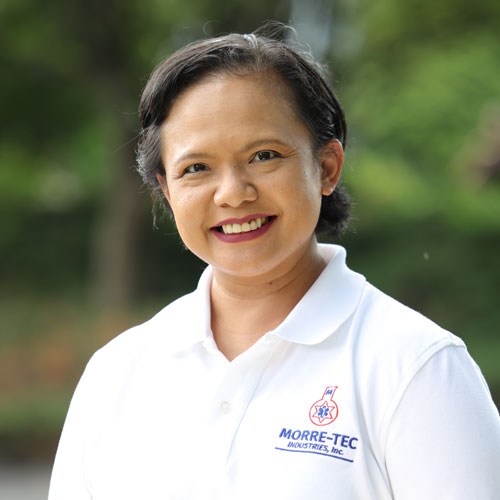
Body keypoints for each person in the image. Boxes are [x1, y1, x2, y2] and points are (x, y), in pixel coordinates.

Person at [48, 30, 500, 499]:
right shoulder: (117, 372)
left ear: (327, 167)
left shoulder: (416, 368)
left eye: (264, 156)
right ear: (167, 190)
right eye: (196, 168)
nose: (233, 193)